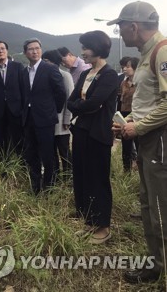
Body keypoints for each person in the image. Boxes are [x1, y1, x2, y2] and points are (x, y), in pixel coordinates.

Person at [109, 1, 167, 284]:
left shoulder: (162, 51)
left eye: (120, 26)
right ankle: (156, 262)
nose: (119, 33)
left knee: (159, 205)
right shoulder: (147, 54)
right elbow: (151, 100)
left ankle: (160, 269)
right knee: (148, 201)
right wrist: (130, 121)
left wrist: (139, 126)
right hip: (148, 137)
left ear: (133, 26)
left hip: (159, 139)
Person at [67, 31, 117, 245]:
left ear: (97, 48)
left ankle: (103, 226)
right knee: (82, 177)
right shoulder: (87, 73)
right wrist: (82, 106)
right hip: (80, 131)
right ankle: (89, 221)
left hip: (98, 133)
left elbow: (94, 103)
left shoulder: (109, 74)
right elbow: (71, 101)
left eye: (86, 48)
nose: (83, 53)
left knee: (98, 179)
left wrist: (82, 106)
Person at [21, 38, 66, 194]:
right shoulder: (24, 71)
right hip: (28, 118)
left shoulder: (50, 68)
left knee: (48, 155)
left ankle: (49, 187)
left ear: (40, 50)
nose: (34, 51)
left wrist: (54, 110)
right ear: (25, 52)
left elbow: (61, 92)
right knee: (31, 153)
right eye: (31, 49)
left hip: (45, 118)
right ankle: (35, 187)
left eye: (37, 48)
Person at [41, 49, 74, 176]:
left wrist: (67, 120)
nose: (44, 63)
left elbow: (69, 99)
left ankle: (68, 175)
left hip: (61, 123)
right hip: (48, 121)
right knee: (51, 151)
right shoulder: (44, 75)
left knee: (64, 150)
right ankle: (55, 175)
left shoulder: (65, 75)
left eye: (46, 61)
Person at [120, 57, 139, 172]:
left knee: (138, 144)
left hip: (136, 115)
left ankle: (140, 168)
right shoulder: (123, 82)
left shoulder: (140, 83)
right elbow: (120, 99)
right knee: (125, 145)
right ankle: (126, 171)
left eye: (128, 67)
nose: (125, 69)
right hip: (124, 115)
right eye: (124, 67)